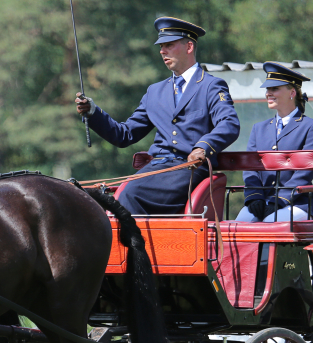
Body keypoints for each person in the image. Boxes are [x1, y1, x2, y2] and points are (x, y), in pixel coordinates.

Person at [75, 17, 239, 215]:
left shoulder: (211, 86)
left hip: (190, 168)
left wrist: (203, 147)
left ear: (189, 46)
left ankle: (137, 247)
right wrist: (93, 112)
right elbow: (124, 135)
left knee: (130, 195)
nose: (162, 51)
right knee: (102, 197)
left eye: (169, 45)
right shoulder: (155, 91)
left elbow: (229, 123)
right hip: (157, 168)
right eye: (161, 46)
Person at [235, 62, 313, 222]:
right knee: (238, 226)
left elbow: (306, 170)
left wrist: (281, 199)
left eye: (274, 89)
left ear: (292, 92)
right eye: (267, 89)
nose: (268, 93)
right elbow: (250, 169)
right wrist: (255, 197)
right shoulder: (259, 128)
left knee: (270, 224)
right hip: (263, 201)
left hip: (298, 202)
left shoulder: (311, 126)